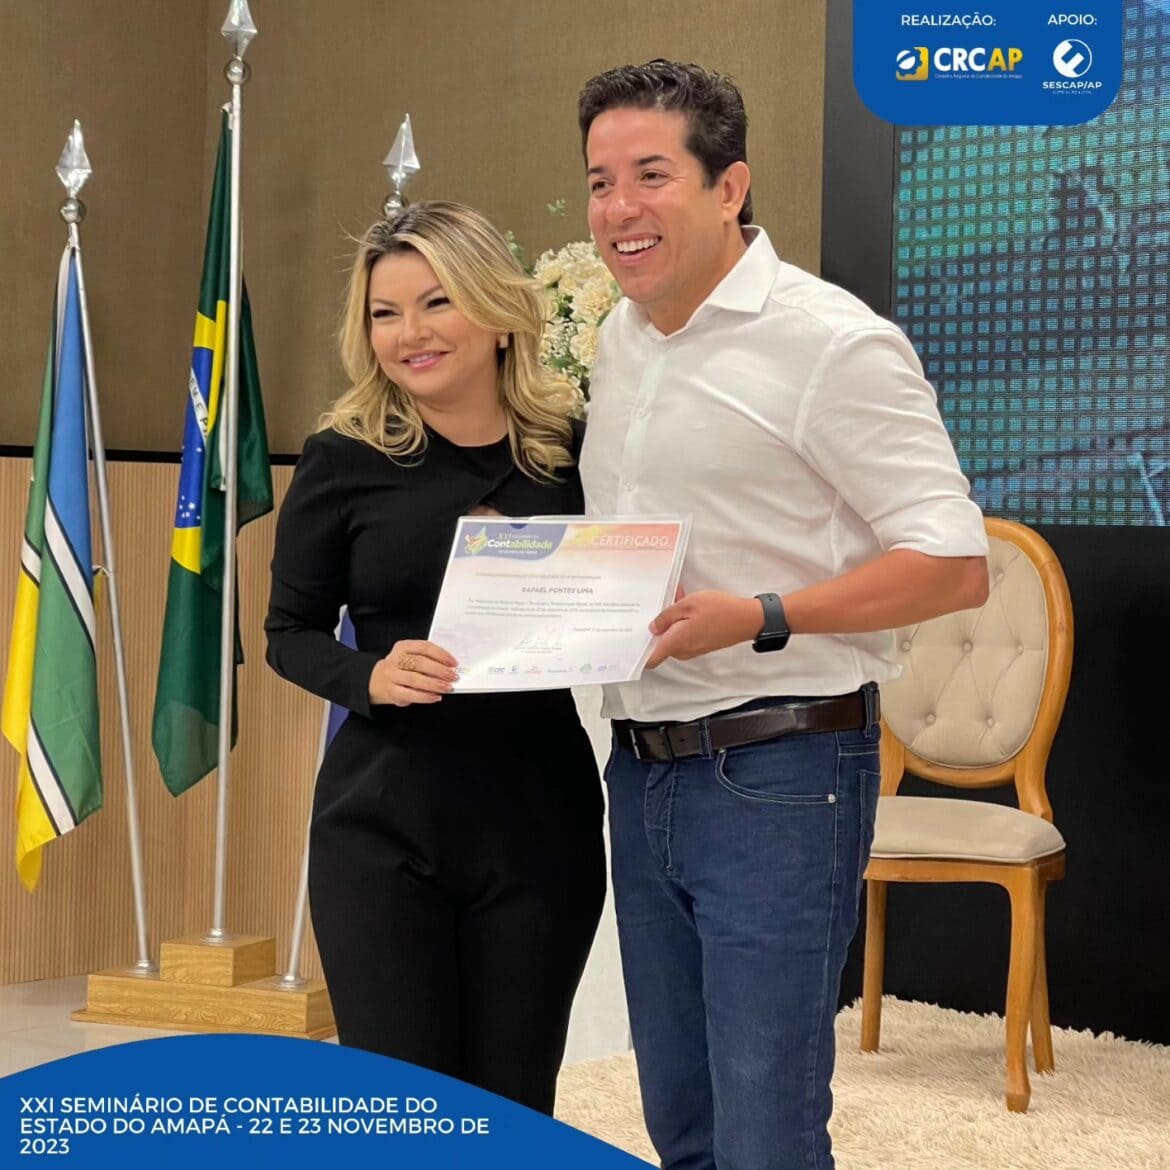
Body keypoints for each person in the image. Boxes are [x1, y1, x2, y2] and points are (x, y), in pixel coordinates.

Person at [575, 61, 990, 1169]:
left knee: (766, 1133)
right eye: (600, 182)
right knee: (682, 1121)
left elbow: (955, 565)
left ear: (730, 187)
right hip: (641, 766)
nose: (618, 208)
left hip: (781, 774)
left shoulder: (831, 342)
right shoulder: (620, 339)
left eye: (651, 175)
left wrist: (762, 613)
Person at [264, 201, 605, 1114]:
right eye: (385, 313)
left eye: (436, 302)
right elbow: (287, 633)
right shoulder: (342, 458)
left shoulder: (574, 454)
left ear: (496, 312)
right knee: (404, 1113)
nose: (408, 333)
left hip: (542, 823)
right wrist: (367, 675)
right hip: (383, 822)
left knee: (514, 1105)